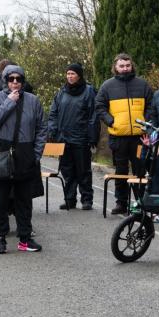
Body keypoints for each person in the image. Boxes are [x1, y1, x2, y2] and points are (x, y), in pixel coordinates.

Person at [0, 65, 47, 254]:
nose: (15, 83)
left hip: (25, 153)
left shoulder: (33, 100)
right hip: (1, 152)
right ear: (4, 80)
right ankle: (0, 239)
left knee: (24, 200)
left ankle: (25, 239)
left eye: (19, 79)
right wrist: (9, 102)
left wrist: (36, 154)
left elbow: (42, 128)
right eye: (11, 79)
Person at [95, 53, 153, 215]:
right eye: (122, 66)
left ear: (131, 66)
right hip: (118, 137)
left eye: (127, 65)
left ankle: (142, 203)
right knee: (120, 171)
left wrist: (145, 122)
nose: (125, 68)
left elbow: (151, 105)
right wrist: (111, 121)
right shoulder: (107, 86)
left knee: (140, 171)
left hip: (139, 138)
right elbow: (99, 106)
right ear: (116, 67)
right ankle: (121, 203)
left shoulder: (142, 85)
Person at [48, 63, 98, 210]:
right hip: (64, 139)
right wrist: (53, 131)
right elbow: (53, 114)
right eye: (68, 73)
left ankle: (87, 200)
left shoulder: (89, 91)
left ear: (79, 75)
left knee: (83, 171)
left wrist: (92, 136)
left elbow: (93, 116)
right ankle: (70, 199)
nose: (70, 76)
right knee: (67, 171)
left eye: (73, 74)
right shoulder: (61, 92)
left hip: (81, 138)